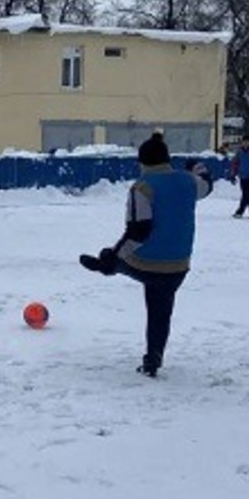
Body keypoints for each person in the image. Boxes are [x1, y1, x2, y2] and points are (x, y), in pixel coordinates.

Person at [79, 131, 214, 378]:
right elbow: (207, 184)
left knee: (117, 261)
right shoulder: (187, 182)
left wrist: (113, 255)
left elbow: (138, 232)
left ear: (142, 162)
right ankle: (153, 358)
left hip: (146, 264)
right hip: (179, 266)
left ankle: (106, 265)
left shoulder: (142, 188)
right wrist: (197, 165)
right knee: (160, 311)